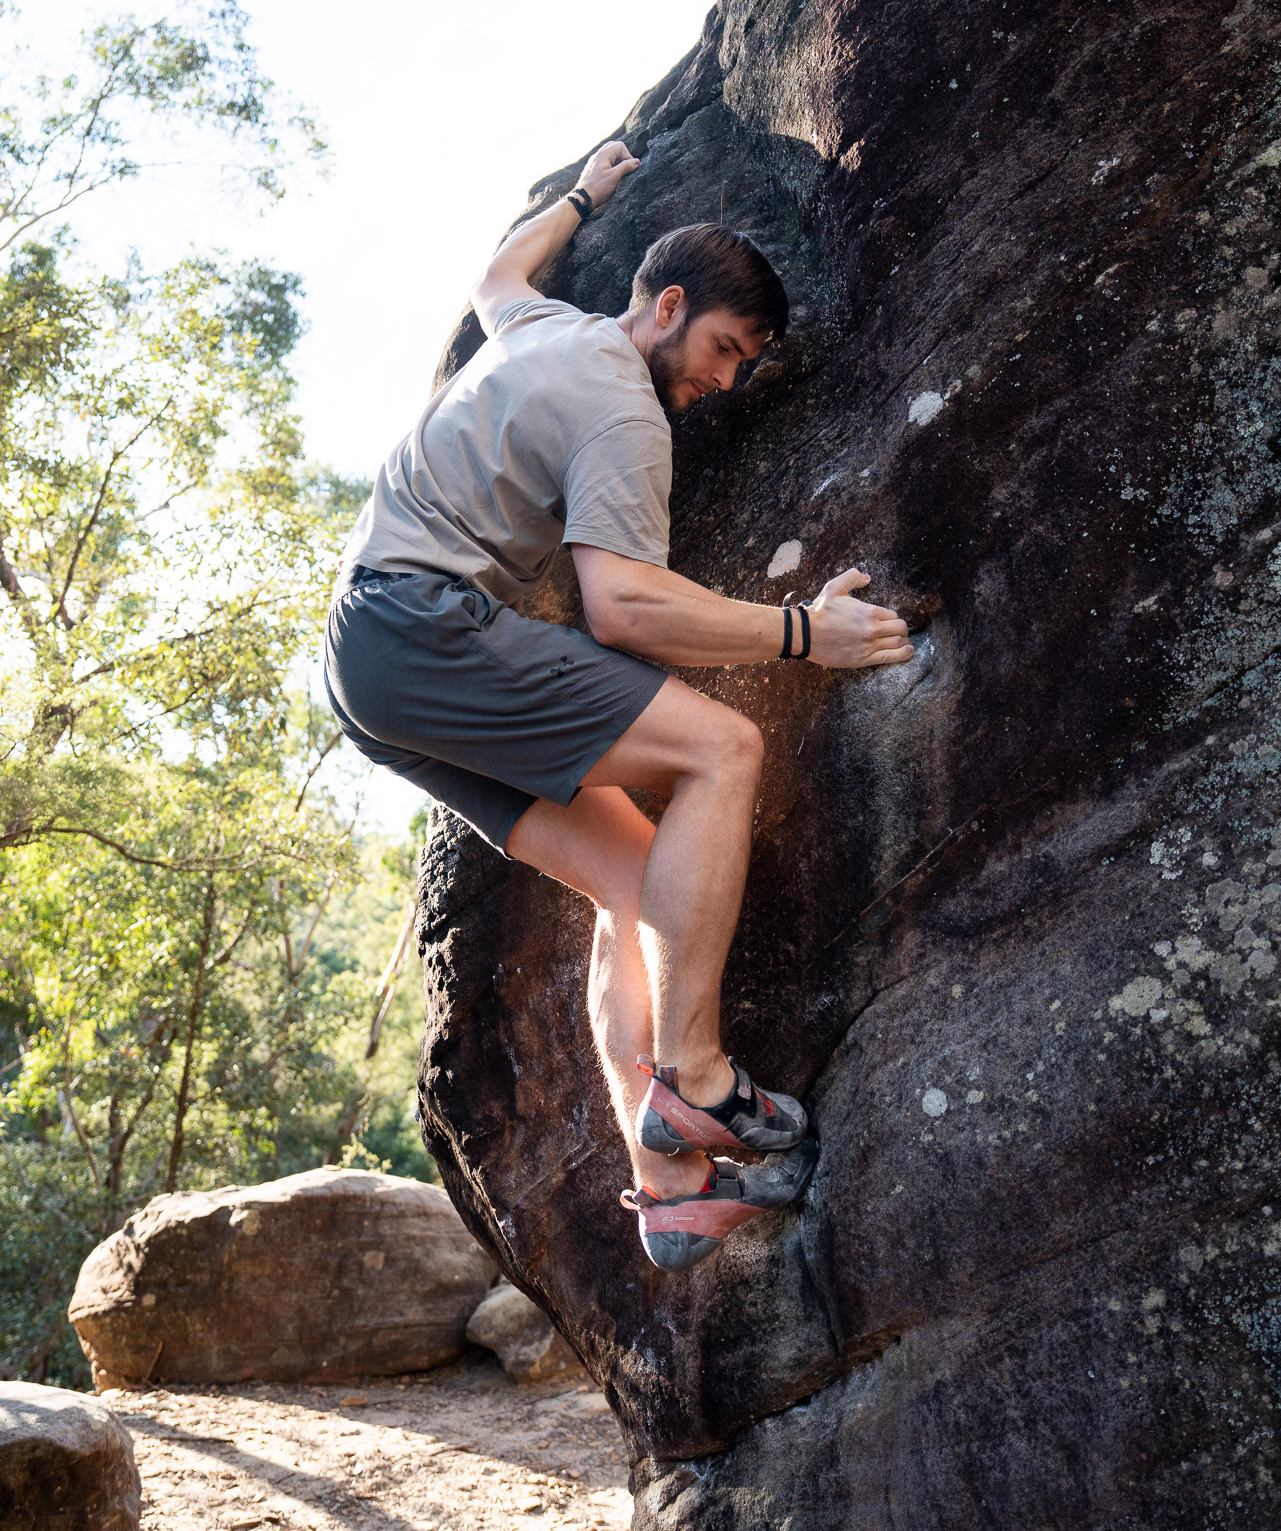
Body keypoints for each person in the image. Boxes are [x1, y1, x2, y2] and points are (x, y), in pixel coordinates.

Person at [324, 141, 914, 1271]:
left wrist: (586, 192)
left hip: (368, 663)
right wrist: (804, 634)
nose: (727, 380)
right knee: (723, 748)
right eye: (725, 349)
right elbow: (624, 607)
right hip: (422, 628)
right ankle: (694, 1078)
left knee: (645, 885)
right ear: (671, 306)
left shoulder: (549, 331)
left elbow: (497, 275)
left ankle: (670, 1191)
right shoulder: (627, 412)